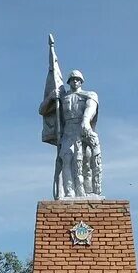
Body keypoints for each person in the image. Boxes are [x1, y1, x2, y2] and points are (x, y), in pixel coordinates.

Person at [39, 69, 102, 198]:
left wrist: (85, 121)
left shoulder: (89, 95)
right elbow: (42, 110)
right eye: (73, 79)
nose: (75, 81)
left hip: (83, 130)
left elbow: (91, 108)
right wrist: (51, 97)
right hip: (68, 131)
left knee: (85, 162)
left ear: (81, 82)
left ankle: (87, 191)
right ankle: (69, 192)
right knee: (66, 160)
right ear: (68, 82)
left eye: (78, 79)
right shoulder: (62, 98)